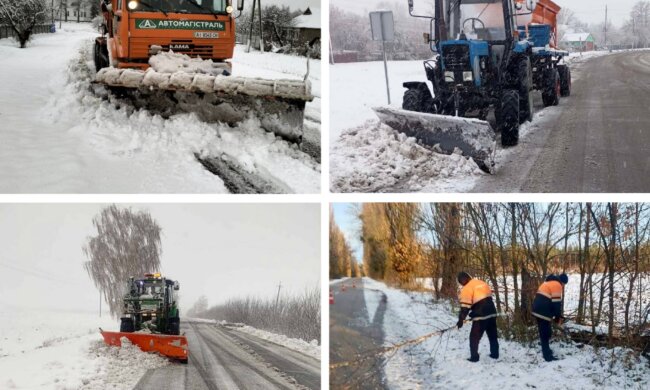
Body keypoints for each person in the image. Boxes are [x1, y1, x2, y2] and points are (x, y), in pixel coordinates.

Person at [456, 271, 499, 362]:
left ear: (462, 281)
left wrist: (460, 320)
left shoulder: (467, 288)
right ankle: (495, 354)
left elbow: (465, 307)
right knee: (492, 336)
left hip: (481, 316)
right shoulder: (481, 283)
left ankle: (474, 357)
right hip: (492, 312)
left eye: (461, 281)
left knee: (474, 337)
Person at [532, 273, 569, 361]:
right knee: (545, 333)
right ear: (562, 282)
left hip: (537, 309)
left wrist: (557, 315)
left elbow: (549, 300)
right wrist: (557, 318)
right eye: (564, 285)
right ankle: (547, 356)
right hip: (543, 311)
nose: (563, 287)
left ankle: (546, 350)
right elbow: (556, 303)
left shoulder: (549, 282)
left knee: (544, 332)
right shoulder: (557, 285)